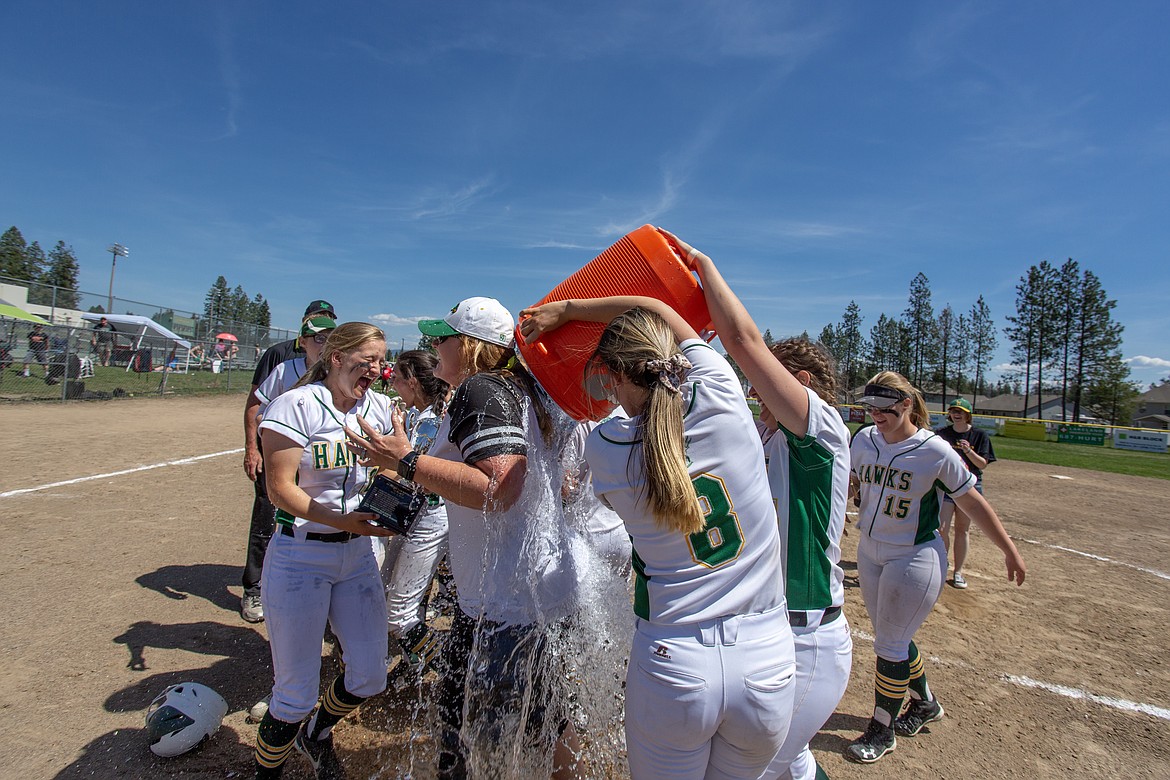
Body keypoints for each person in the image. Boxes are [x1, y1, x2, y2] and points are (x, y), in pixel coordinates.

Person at [519, 296, 797, 780]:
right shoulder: (723, 394)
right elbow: (653, 304)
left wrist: (561, 321)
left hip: (675, 661)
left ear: (616, 373)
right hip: (767, 658)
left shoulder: (607, 448)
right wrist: (571, 309)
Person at [349, 297, 582, 780]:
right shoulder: (524, 392)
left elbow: (499, 488)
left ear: (471, 346)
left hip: (503, 608)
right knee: (549, 723)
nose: (434, 348)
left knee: (472, 740)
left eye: (443, 338)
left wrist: (406, 460)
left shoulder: (481, 389)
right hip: (536, 595)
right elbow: (556, 486)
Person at [662, 230, 852, 780]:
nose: (751, 385)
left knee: (762, 768)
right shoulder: (765, 437)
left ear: (805, 385)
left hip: (806, 632)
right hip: (764, 628)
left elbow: (742, 341)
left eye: (765, 377)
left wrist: (703, 266)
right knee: (784, 765)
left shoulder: (822, 432)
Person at [845, 372, 1026, 763]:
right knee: (893, 636)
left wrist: (1008, 548)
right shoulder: (862, 440)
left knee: (890, 643)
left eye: (885, 408)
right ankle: (925, 703)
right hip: (870, 550)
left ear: (907, 404)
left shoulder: (935, 450)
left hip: (913, 555)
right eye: (869, 408)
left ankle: (882, 729)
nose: (876, 415)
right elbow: (853, 481)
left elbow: (972, 501)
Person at [252, 322, 395, 779]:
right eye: (366, 358)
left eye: (381, 359)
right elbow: (278, 489)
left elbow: (391, 471)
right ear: (335, 358)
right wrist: (340, 520)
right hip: (301, 555)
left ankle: (316, 733)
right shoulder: (297, 404)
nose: (376, 367)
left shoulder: (382, 406)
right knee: (293, 694)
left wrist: (390, 489)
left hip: (357, 556)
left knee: (370, 676)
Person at [240, 299, 337, 624]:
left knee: (310, 520)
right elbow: (256, 404)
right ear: (304, 339)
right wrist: (252, 448)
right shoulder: (283, 365)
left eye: (329, 335)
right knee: (268, 519)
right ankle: (254, 589)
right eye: (317, 336)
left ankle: (308, 591)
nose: (323, 342)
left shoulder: (334, 372)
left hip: (313, 463)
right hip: (280, 456)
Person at [381, 350, 452, 686]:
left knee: (400, 612)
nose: (391, 381)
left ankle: (453, 672)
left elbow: (413, 475)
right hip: (422, 516)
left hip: (430, 517)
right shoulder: (421, 415)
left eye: (396, 376)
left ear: (412, 380)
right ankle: (415, 664)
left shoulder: (428, 421)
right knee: (404, 597)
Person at [934, 397, 996, 590]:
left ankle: (958, 572)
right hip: (945, 487)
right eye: (953, 411)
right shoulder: (942, 434)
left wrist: (968, 451)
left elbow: (982, 464)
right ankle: (942, 567)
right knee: (941, 529)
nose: (956, 414)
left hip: (970, 487)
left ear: (968, 414)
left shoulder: (979, 435)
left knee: (962, 529)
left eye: (960, 411)